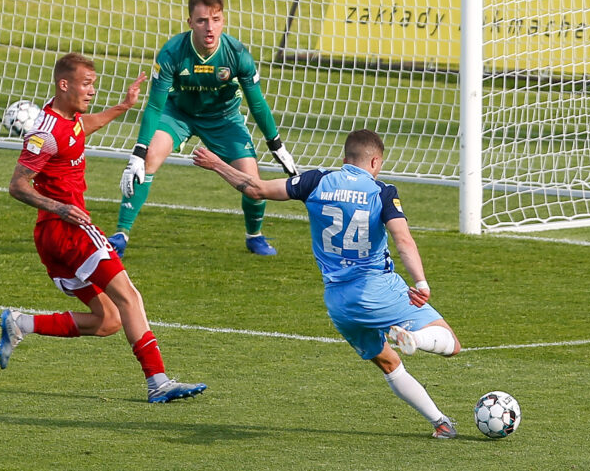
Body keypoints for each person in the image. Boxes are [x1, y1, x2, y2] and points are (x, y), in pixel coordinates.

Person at [194, 129, 461, 438]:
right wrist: (421, 282)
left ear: (344, 159)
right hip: (376, 290)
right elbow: (403, 239)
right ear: (375, 160)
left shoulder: (316, 182)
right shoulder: (382, 191)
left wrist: (217, 164)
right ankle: (415, 337)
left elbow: (255, 189)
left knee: (389, 363)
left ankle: (441, 423)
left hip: (339, 302)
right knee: (450, 343)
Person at [0, 52, 206, 403]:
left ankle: (22, 323)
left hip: (52, 237)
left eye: (93, 84)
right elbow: (18, 185)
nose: (91, 91)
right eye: (86, 84)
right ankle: (158, 381)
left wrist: (123, 106)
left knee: (108, 320)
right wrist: (60, 207)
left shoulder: (68, 117)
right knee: (130, 296)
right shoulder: (45, 132)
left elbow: (82, 128)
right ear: (64, 84)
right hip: (67, 229)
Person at [108, 0, 298, 258]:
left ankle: (254, 236)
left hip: (224, 119)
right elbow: (155, 105)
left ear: (223, 21)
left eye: (216, 20)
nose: (210, 28)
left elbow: (257, 103)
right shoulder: (172, 52)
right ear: (190, 23)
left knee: (253, 182)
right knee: (149, 158)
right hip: (179, 115)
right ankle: (121, 234)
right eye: (202, 21)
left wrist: (276, 144)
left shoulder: (237, 54)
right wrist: (138, 150)